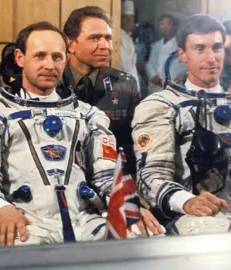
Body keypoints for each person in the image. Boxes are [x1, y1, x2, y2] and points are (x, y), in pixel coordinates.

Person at [131, 14, 231, 235]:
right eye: (200, 49)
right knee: (218, 236)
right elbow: (150, 178)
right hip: (192, 213)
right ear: (183, 55)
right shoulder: (161, 106)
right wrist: (187, 201)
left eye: (217, 48)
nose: (211, 58)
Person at [0, 21, 118, 247]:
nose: (49, 64)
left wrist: (126, 207)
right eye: (40, 56)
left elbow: (106, 178)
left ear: (66, 59)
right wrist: (2, 210)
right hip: (25, 220)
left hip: (83, 220)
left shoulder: (89, 116)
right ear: (19, 58)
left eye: (57, 57)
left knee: (137, 236)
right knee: (23, 246)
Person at [62, 6, 163, 236]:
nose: (105, 45)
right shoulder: (51, 85)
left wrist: (133, 199)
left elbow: (135, 148)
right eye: (95, 38)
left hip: (112, 187)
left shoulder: (124, 85)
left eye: (108, 38)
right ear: (71, 45)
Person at [146, 14, 184, 94]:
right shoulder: (157, 45)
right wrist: (154, 77)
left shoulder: (178, 46)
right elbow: (150, 65)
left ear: (173, 26)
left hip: (170, 90)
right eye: (162, 24)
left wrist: (163, 81)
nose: (165, 27)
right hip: (154, 89)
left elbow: (180, 70)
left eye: (168, 24)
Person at [120, 0, 141, 91]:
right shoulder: (118, 37)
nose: (129, 21)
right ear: (120, 18)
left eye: (131, 17)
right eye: (125, 17)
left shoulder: (129, 38)